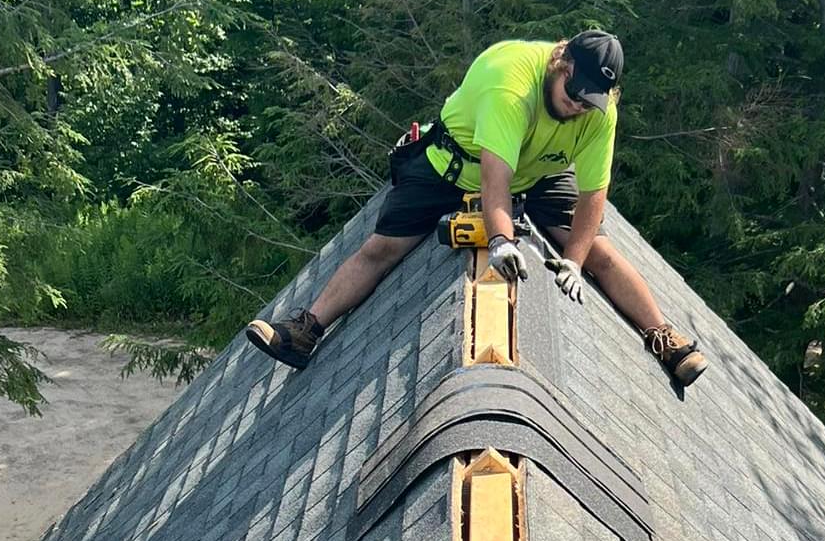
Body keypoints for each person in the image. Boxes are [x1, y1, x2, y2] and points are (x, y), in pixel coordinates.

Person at [245, 30, 708, 385]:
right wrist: (503, 241)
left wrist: (573, 261)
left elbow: (593, 196)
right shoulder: (511, 84)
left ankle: (665, 338)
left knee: (599, 254)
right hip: (454, 165)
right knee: (382, 249)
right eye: (573, 94)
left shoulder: (598, 111)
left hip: (539, 172)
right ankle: (305, 330)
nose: (577, 107)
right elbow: (495, 180)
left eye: (589, 102)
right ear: (561, 63)